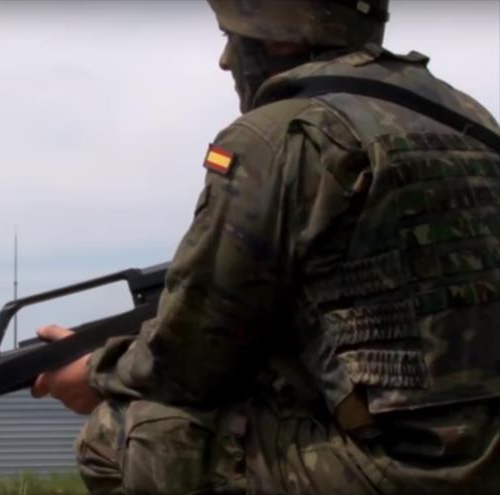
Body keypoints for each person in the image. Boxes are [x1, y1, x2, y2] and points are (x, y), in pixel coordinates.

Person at [31, 0, 500, 493]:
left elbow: (188, 358)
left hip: (418, 471)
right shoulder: (467, 118)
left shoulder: (279, 135)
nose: (226, 60)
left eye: (231, 37)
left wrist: (93, 373)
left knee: (122, 435)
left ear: (277, 40)